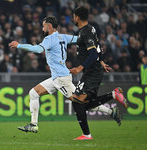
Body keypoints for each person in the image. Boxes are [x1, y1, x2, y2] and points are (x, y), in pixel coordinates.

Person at [9, 16, 122, 134]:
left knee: (82, 102)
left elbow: (37, 49)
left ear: (49, 26)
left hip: (61, 79)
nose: (42, 29)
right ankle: (33, 125)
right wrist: (96, 45)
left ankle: (111, 110)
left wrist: (19, 45)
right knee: (34, 93)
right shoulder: (63, 37)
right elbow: (81, 39)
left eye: (43, 26)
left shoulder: (50, 39)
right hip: (56, 77)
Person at [69, 6, 128, 140]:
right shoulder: (91, 29)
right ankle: (114, 94)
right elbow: (98, 46)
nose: (73, 18)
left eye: (74, 16)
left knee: (77, 101)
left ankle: (86, 135)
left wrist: (80, 67)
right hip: (93, 70)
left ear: (77, 17)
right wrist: (101, 61)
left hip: (91, 72)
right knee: (84, 103)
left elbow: (93, 52)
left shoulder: (85, 32)